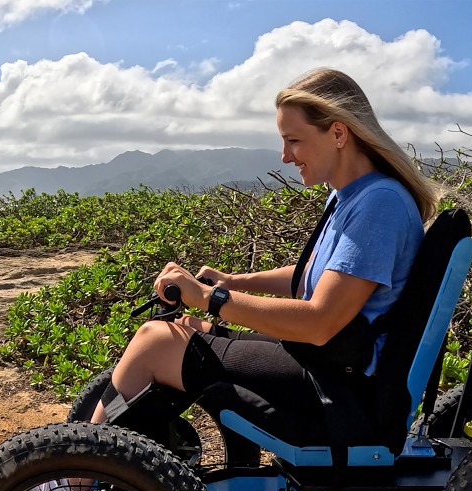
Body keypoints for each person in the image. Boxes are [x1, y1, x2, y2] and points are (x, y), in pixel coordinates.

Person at [90, 67, 441, 433]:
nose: (286, 156)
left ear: (338, 132)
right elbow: (314, 276)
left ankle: (76, 478)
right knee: (184, 327)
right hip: (327, 364)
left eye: (294, 141)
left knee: (155, 341)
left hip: (340, 386)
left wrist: (211, 297)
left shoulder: (379, 204)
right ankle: (125, 463)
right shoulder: (350, 195)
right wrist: (233, 281)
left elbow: (320, 322)